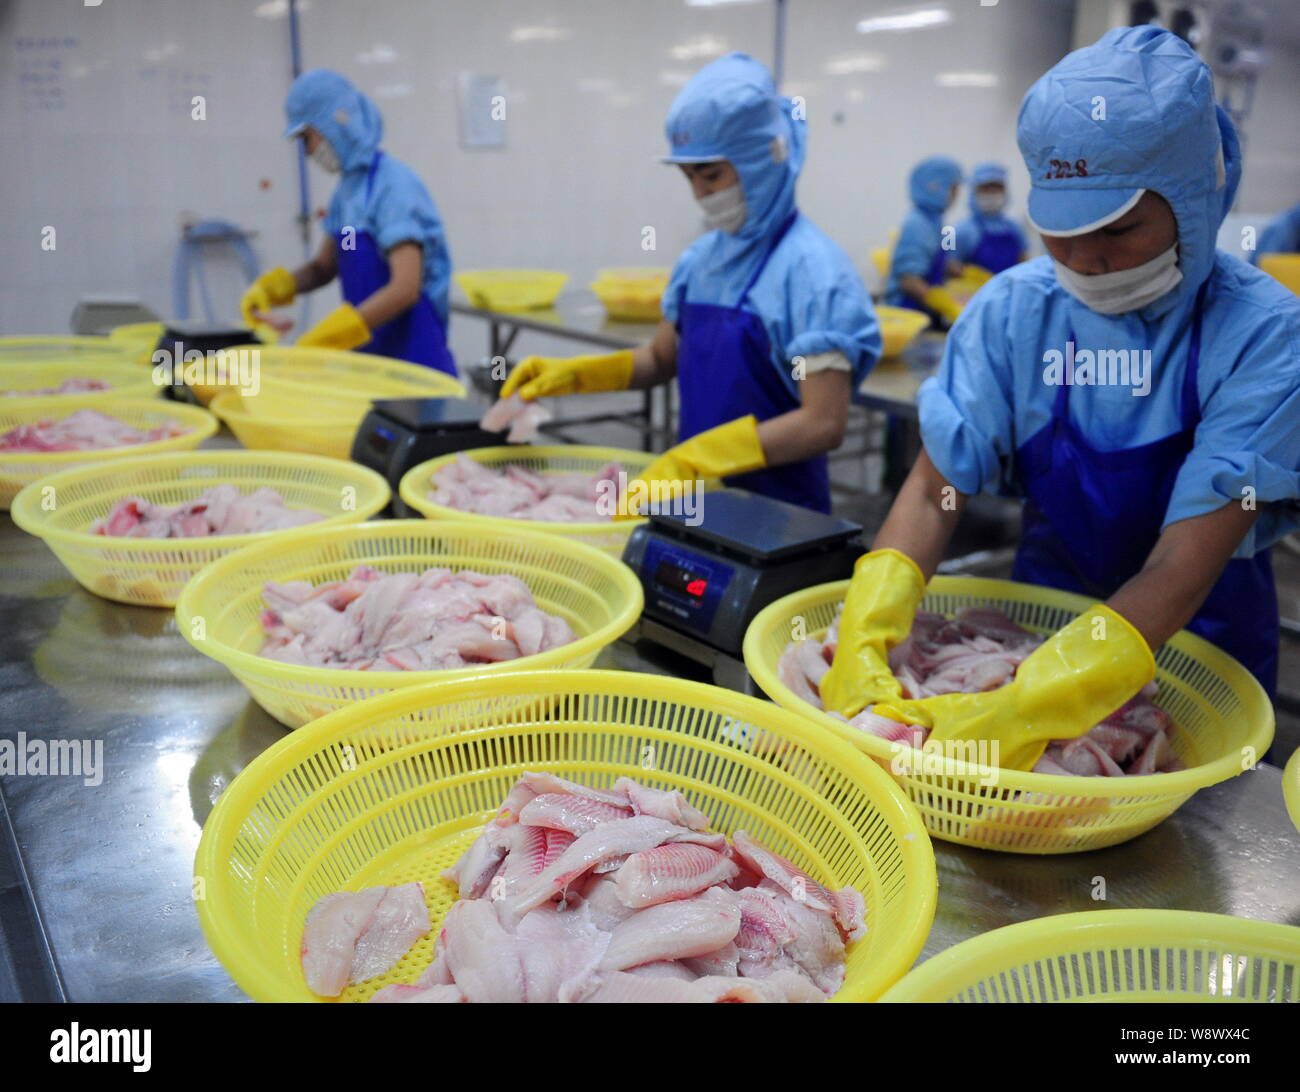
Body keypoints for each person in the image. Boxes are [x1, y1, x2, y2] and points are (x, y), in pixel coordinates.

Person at [820, 26, 1300, 769]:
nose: (1082, 259)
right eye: (1058, 231)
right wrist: (869, 628)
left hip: (1198, 652)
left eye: (1116, 228)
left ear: (1196, 194)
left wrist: (1037, 706)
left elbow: (1180, 564)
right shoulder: (1015, 313)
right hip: (1031, 632)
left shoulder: (1263, 336)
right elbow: (935, 493)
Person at [499, 53, 880, 515]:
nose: (701, 193)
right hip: (695, 504)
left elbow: (823, 422)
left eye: (713, 174)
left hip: (782, 517)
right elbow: (660, 359)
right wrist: (574, 375)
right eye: (689, 177)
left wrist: (698, 459)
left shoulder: (815, 273)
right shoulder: (702, 260)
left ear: (762, 158)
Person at [240, 69, 456, 375]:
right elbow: (323, 268)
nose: (308, 152)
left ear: (335, 123)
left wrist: (334, 334)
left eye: (307, 138)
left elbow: (405, 288)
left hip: (415, 360)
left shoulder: (394, 186)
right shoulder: (346, 194)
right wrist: (274, 288)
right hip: (371, 360)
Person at [883, 156, 966, 327]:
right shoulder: (916, 224)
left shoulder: (940, 223)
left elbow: (947, 261)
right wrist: (945, 303)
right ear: (935, 187)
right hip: (907, 313)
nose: (956, 195)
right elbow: (908, 281)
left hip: (926, 312)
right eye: (953, 188)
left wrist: (966, 272)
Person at [955, 162, 1028, 275]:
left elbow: (1024, 261)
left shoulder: (1014, 227)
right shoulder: (962, 229)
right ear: (974, 191)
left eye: (997, 188)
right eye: (986, 189)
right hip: (976, 291)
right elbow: (949, 265)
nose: (992, 193)